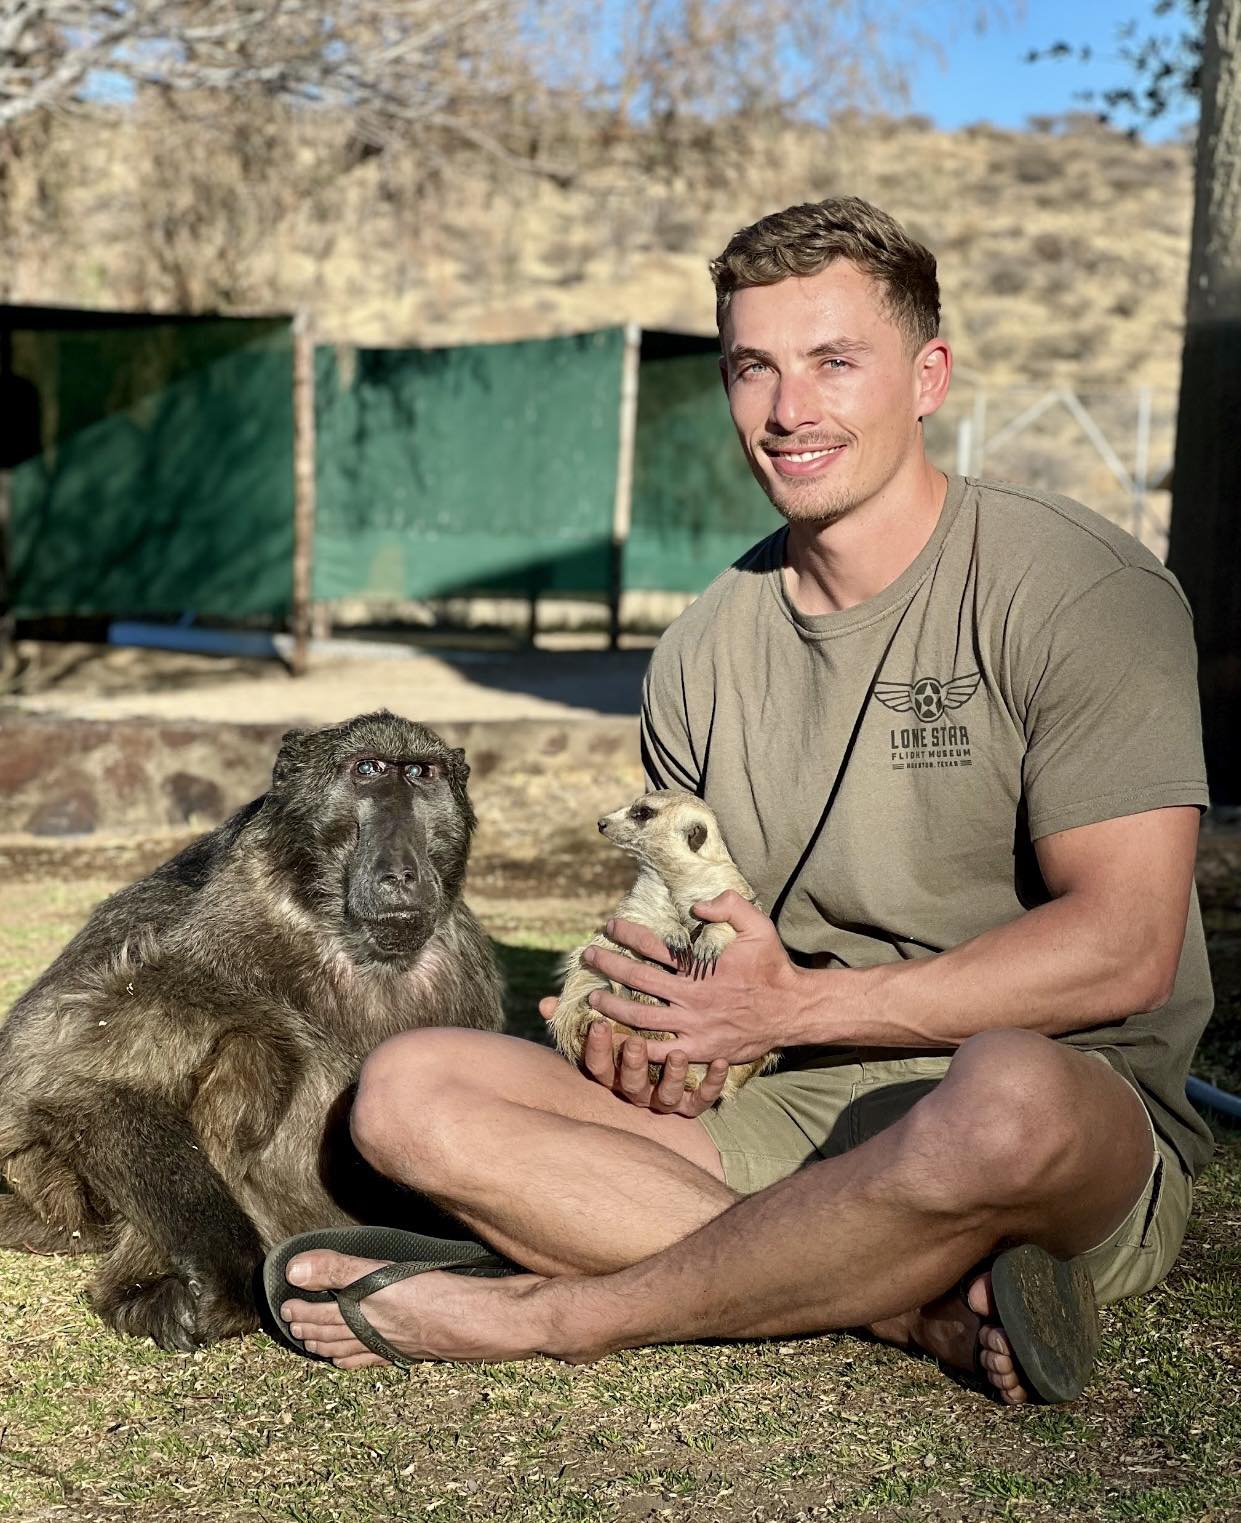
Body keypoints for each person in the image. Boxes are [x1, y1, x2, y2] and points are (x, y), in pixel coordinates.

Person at [278, 197, 1213, 1404]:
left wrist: (794, 1002)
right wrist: (640, 1028)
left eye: (834, 361)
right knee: (411, 1091)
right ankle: (904, 1306)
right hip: (791, 1095)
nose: (788, 410)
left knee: (1004, 1092)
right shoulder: (702, 646)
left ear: (926, 377)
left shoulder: (1078, 588)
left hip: (1063, 1095)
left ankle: (559, 1310)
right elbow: (694, 932)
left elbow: (1123, 950)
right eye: (751, 368)